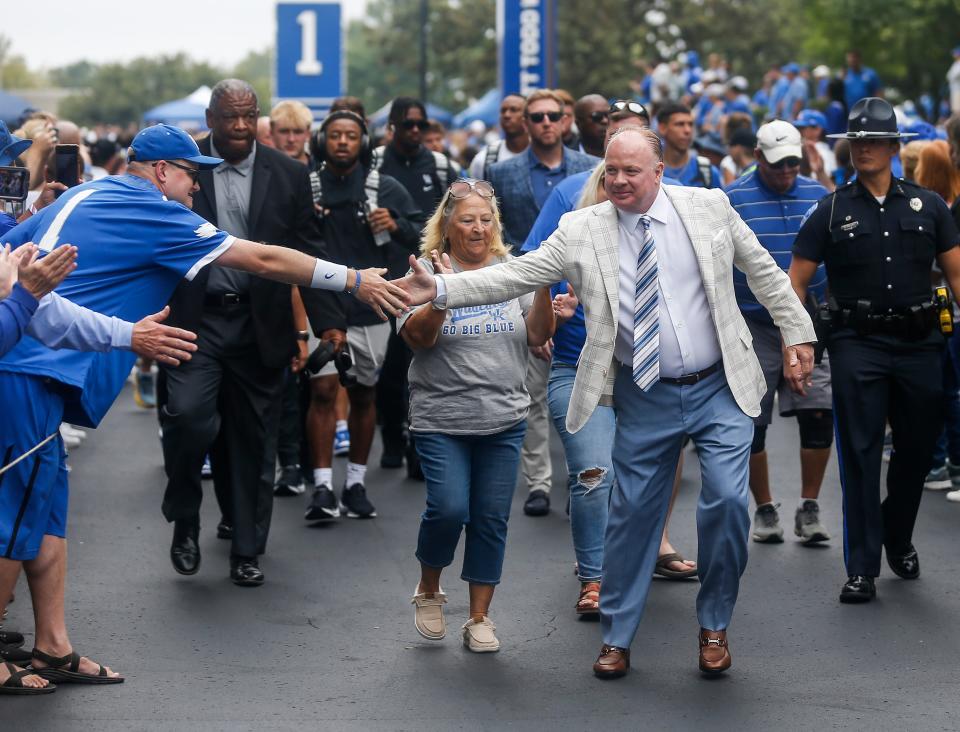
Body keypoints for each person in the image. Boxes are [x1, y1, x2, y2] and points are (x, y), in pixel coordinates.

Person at [0, 120, 407, 692]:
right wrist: (353, 280)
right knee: (13, 522)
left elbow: (12, 254)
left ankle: (52, 646)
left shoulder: (89, 190)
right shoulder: (155, 210)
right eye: (193, 176)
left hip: (33, 367)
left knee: (43, 519)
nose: (198, 189)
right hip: (31, 373)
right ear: (163, 172)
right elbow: (261, 260)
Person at [396, 126, 816, 677]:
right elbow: (519, 273)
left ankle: (714, 625)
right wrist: (444, 290)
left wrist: (798, 332)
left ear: (659, 173)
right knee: (632, 518)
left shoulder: (708, 207)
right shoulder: (581, 228)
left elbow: (764, 273)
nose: (617, 180)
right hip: (644, 392)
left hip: (720, 386)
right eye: (610, 171)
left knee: (726, 505)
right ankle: (617, 635)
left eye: (630, 171)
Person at [159, 80, 349, 587]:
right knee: (190, 419)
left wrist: (329, 321)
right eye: (229, 117)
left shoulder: (287, 173)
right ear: (211, 117)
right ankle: (183, 516)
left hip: (259, 323)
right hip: (191, 323)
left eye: (248, 116)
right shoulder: (180, 166)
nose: (240, 127)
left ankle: (247, 548)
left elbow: (309, 250)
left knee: (252, 440)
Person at [790, 97, 960, 604]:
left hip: (920, 344)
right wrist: (796, 341)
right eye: (857, 141)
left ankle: (897, 535)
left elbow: (955, 275)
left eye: (873, 141)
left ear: (892, 147)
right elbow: (794, 283)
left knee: (915, 451)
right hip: (856, 344)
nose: (863, 149)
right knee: (861, 455)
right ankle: (862, 567)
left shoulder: (928, 206)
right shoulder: (832, 208)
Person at [401, 178, 554, 652]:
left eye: (486, 220)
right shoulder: (424, 272)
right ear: (446, 227)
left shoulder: (511, 271)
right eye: (467, 220)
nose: (478, 228)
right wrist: (443, 295)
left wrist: (543, 284)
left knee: (490, 519)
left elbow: (537, 336)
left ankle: (479, 618)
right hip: (441, 417)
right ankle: (429, 587)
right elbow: (418, 339)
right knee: (448, 509)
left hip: (504, 417)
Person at [302, 109, 420, 521]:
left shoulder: (383, 188)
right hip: (321, 305)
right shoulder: (306, 187)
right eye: (334, 135)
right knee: (321, 392)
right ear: (322, 141)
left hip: (370, 307)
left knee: (364, 394)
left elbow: (423, 234)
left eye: (351, 136)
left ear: (363, 142)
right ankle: (320, 487)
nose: (342, 142)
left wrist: (396, 222)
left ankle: (354, 483)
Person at [485, 89, 597, 517]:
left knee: (584, 396)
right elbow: (504, 242)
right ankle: (538, 482)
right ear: (525, 124)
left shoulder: (591, 171)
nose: (547, 122)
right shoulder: (503, 171)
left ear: (566, 121)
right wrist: (532, 308)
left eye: (554, 115)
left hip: (586, 299)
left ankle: (581, 476)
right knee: (531, 392)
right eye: (537, 116)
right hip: (527, 292)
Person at [724, 120, 833, 545]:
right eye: (777, 164)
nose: (787, 171)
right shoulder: (731, 199)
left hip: (809, 321)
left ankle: (809, 506)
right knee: (753, 420)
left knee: (819, 413)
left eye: (793, 162)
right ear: (757, 158)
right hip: (754, 323)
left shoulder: (818, 194)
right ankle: (765, 508)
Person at [370, 96, 447, 473]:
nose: (415, 131)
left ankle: (419, 445)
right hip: (382, 278)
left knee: (423, 362)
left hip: (429, 280)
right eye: (407, 124)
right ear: (392, 128)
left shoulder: (439, 165)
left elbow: (446, 225)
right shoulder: (374, 165)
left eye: (421, 124)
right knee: (389, 368)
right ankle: (392, 440)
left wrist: (399, 223)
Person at [657, 102, 722, 188]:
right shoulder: (651, 170)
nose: (687, 130)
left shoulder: (706, 171)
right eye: (680, 124)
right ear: (662, 128)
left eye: (690, 124)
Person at [468, 94, 529, 180]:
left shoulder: (542, 155)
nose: (507, 115)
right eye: (503, 111)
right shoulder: (484, 160)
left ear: (527, 116)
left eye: (514, 110)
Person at [269, 100, 313, 166]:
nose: (291, 139)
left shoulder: (324, 172)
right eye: (284, 132)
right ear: (271, 133)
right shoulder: (256, 171)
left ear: (308, 134)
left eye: (298, 132)